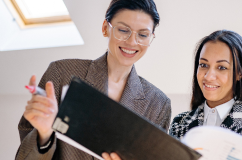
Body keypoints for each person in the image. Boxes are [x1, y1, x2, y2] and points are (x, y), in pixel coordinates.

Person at [16, 0, 171, 160]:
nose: (132, 42)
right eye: (123, 30)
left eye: (143, 35)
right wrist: (44, 134)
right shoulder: (62, 73)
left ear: (151, 37)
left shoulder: (158, 104)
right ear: (105, 28)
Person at [169, 30, 242, 150]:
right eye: (203, 65)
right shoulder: (179, 123)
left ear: (240, 73)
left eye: (221, 67)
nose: (208, 76)